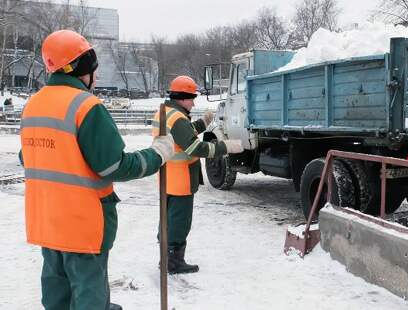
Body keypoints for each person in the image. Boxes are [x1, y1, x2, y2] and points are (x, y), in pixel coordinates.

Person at [19, 30, 175, 310]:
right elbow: (115, 165)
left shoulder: (33, 105)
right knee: (89, 296)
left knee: (57, 294)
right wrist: (157, 155)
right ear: (82, 67)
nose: (96, 75)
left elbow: (28, 156)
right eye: (94, 68)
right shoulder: (86, 106)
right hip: (81, 224)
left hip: (46, 221)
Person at [152, 75, 243, 274]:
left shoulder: (165, 112)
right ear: (182, 98)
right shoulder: (177, 119)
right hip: (181, 179)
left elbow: (185, 132)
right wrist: (225, 146)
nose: (193, 102)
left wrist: (203, 122)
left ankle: (165, 258)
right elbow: (195, 147)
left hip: (167, 178)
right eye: (192, 98)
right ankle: (173, 262)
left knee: (167, 218)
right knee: (179, 221)